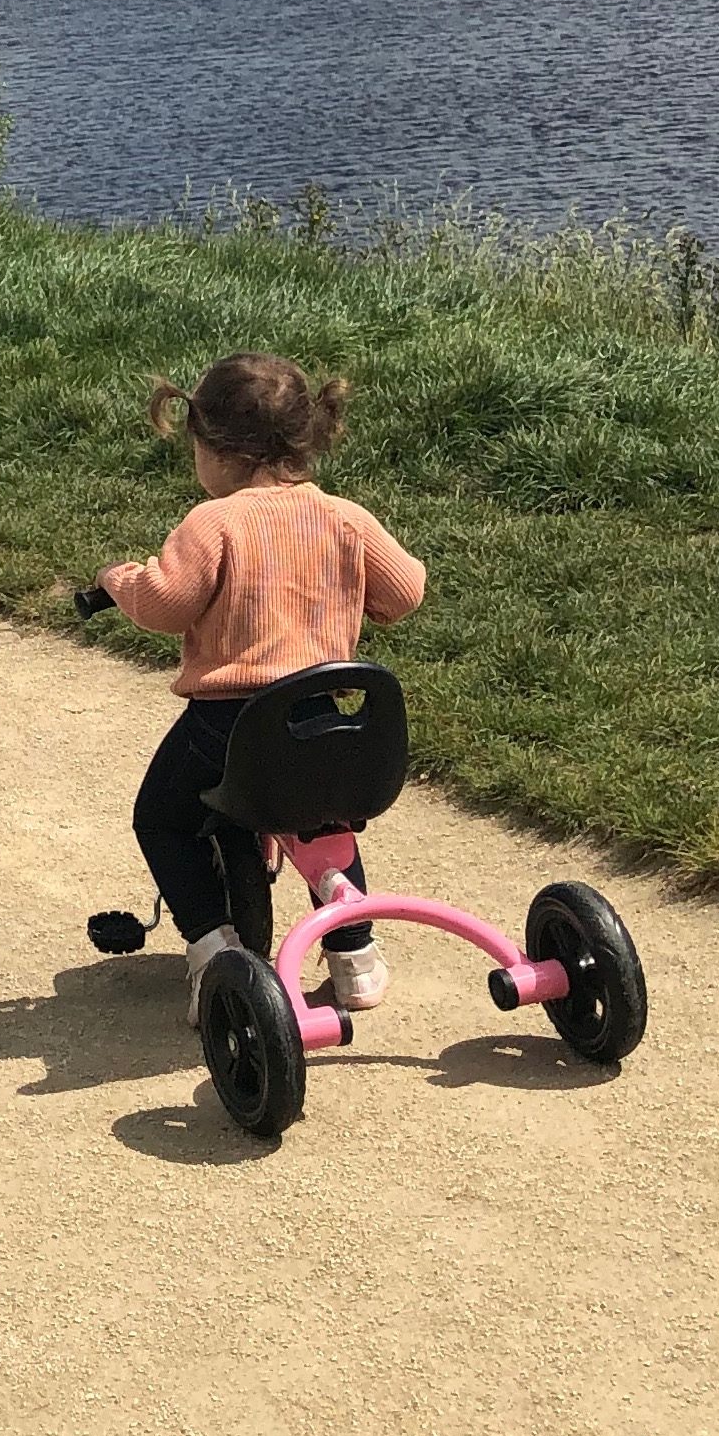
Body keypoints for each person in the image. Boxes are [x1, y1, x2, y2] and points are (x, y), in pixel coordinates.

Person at [95, 353, 424, 1017]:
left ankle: (214, 952)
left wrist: (119, 579)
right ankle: (355, 960)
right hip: (330, 718)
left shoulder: (213, 524)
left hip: (230, 725)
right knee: (322, 818)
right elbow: (406, 591)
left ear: (220, 451)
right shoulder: (345, 519)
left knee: (161, 819)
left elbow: (164, 605)